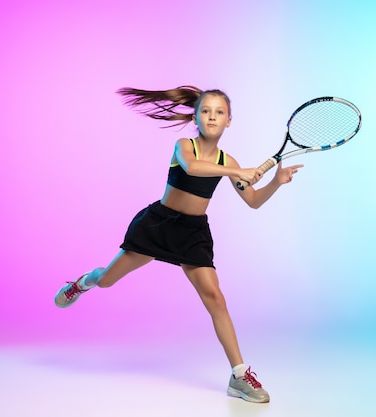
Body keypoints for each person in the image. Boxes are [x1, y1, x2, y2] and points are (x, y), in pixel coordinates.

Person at [54, 86, 303, 403]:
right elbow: (192, 168)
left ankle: (239, 375)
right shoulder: (185, 146)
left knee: (215, 298)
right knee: (106, 281)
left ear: (229, 120)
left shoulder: (230, 160)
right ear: (197, 117)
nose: (212, 116)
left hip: (192, 233)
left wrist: (275, 183)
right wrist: (237, 171)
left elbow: (252, 200)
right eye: (206, 111)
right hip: (158, 225)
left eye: (219, 112)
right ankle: (85, 281)